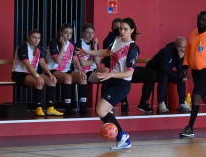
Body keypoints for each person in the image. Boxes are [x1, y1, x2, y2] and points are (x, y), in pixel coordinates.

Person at [77, 17, 139, 149]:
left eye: (125, 29)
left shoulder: (132, 48)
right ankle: (121, 137)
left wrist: (110, 74)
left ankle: (122, 136)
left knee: (101, 109)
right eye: (120, 28)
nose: (122, 31)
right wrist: (87, 51)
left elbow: (129, 73)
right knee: (102, 112)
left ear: (132, 30)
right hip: (111, 80)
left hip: (122, 84)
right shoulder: (116, 40)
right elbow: (106, 52)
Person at [11, 29, 63, 116]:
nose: (36, 40)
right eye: (34, 37)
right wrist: (37, 76)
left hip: (31, 74)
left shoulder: (38, 49)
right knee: (39, 81)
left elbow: (42, 63)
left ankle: (50, 108)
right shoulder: (23, 47)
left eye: (38, 38)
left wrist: (51, 75)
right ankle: (38, 108)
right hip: (19, 74)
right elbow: (27, 64)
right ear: (28, 38)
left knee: (52, 81)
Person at [138, 37, 191, 113]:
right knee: (164, 75)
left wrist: (180, 59)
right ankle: (161, 103)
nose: (182, 49)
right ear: (175, 45)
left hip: (164, 71)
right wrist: (176, 76)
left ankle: (182, 103)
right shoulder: (166, 51)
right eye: (180, 47)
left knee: (181, 78)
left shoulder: (180, 54)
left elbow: (179, 70)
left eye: (184, 47)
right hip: (152, 71)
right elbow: (163, 68)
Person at [47, 23, 89, 116]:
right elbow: (57, 60)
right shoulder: (54, 43)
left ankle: (83, 107)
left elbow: (75, 59)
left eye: (70, 33)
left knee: (82, 77)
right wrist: (62, 46)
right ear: (60, 33)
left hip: (66, 70)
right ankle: (68, 107)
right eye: (66, 33)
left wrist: (80, 70)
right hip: (53, 70)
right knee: (68, 78)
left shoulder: (72, 43)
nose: (68, 35)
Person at [102, 18, 130, 114]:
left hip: (122, 71)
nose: (120, 30)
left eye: (122, 28)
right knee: (107, 74)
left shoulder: (128, 43)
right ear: (112, 28)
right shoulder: (110, 40)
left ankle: (124, 104)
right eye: (117, 28)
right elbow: (107, 53)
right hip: (109, 66)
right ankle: (106, 103)